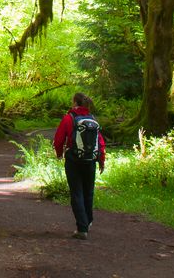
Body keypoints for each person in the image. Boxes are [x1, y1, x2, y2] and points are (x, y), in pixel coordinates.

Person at [53, 91, 105, 240]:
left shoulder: (69, 118)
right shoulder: (92, 119)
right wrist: (101, 160)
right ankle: (87, 222)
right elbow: (100, 142)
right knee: (88, 192)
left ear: (75, 103)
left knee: (77, 192)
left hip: (73, 160)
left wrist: (59, 154)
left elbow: (59, 139)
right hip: (90, 161)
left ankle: (82, 228)